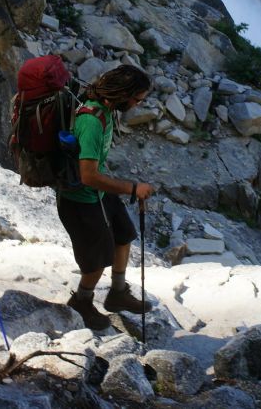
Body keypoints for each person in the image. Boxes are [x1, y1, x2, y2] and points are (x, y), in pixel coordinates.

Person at [58, 64, 155, 330]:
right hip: (80, 199)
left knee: (124, 234)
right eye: (136, 99)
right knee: (97, 259)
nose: (137, 104)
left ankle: (117, 293)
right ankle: (81, 301)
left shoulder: (107, 111)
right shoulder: (92, 121)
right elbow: (88, 175)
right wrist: (132, 188)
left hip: (96, 194)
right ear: (123, 93)